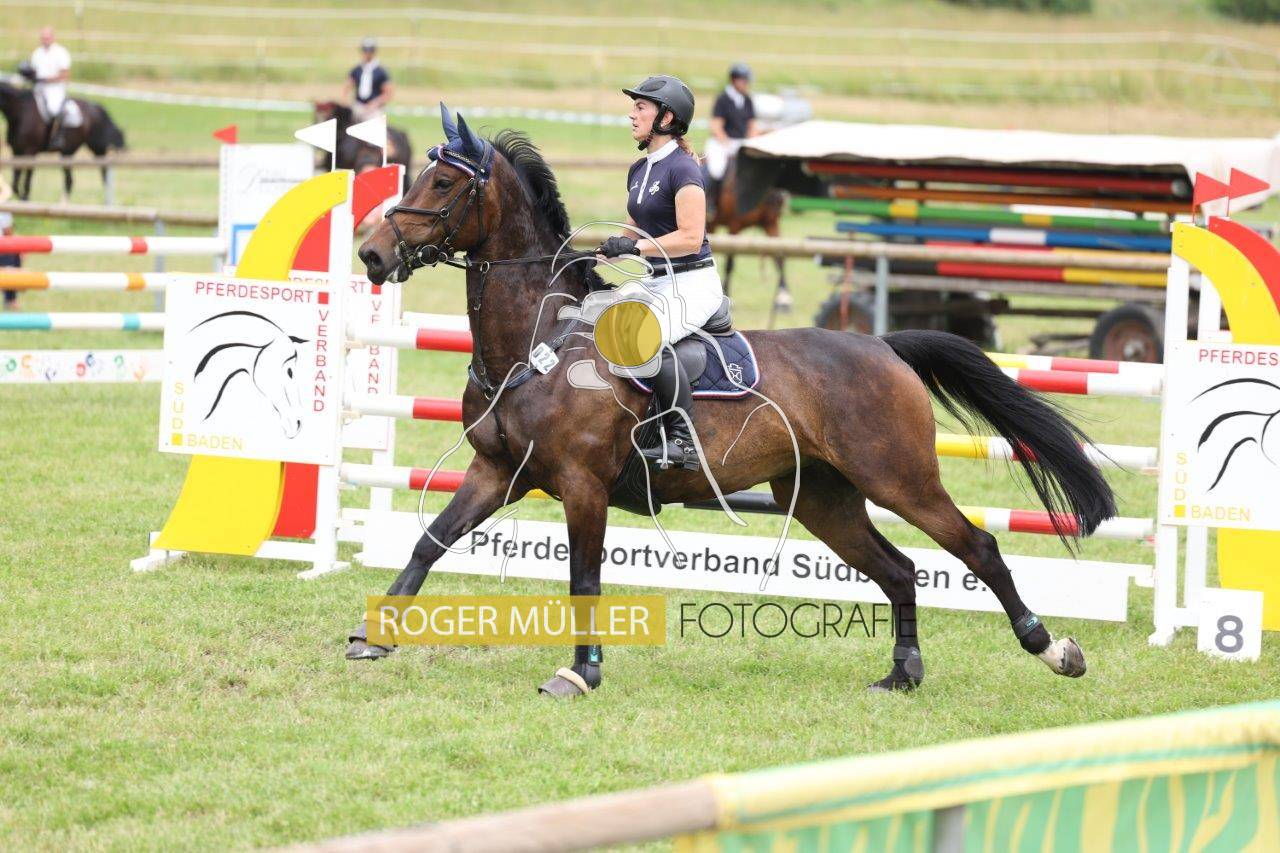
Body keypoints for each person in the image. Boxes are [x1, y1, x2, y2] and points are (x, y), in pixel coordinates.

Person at [597, 74, 724, 470]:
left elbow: (690, 237)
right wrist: (590, 258)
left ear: (666, 118)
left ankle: (684, 441)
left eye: (640, 108)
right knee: (597, 322)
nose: (632, 115)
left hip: (693, 283)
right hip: (655, 282)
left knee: (646, 340)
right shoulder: (639, 170)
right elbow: (628, 235)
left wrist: (635, 248)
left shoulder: (684, 169)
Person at [704, 62, 758, 218]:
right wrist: (727, 144)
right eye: (744, 80)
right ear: (734, 80)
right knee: (717, 169)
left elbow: (752, 125)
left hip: (741, 142)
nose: (747, 84)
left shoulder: (747, 99)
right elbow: (716, 126)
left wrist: (751, 142)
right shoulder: (723, 99)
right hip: (721, 142)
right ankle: (710, 203)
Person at [30, 26, 72, 151]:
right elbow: (34, 71)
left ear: (53, 37)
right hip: (38, 87)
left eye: (47, 37)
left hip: (55, 89)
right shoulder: (37, 53)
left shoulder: (61, 52)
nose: (45, 40)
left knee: (53, 109)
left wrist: (45, 79)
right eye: (43, 38)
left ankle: (57, 136)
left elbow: (64, 74)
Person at [343, 38, 394, 123]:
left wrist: (375, 103)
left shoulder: (381, 71)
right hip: (358, 106)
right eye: (365, 50)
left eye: (370, 50)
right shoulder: (357, 69)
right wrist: (346, 103)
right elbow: (347, 86)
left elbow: (388, 93)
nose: (367, 53)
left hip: (374, 108)